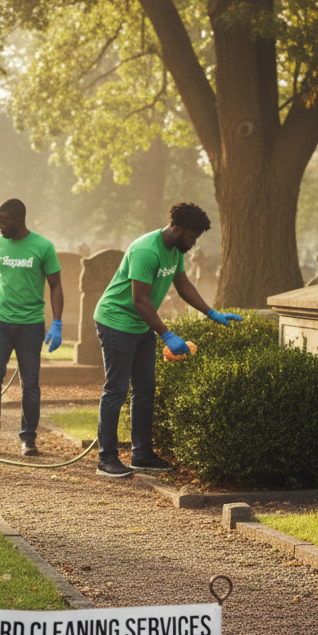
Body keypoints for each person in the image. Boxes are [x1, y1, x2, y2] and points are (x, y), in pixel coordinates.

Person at [92, 202, 242, 478]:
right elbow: (140, 300)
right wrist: (167, 334)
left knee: (146, 388)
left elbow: (182, 283)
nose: (193, 243)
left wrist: (210, 312)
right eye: (191, 237)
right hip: (116, 320)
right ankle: (107, 459)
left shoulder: (175, 250)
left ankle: (141, 454)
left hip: (141, 323)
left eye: (196, 238)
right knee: (116, 389)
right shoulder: (146, 251)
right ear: (176, 227)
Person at [0, 198, 63, 456]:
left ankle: (28, 439)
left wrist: (58, 322)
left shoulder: (43, 246)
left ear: (18, 220)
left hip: (30, 324)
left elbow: (56, 286)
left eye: (3, 221)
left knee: (30, 383)